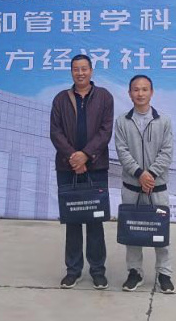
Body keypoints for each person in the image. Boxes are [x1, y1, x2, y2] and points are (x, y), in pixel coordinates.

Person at [50, 54, 114, 290]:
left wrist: (86, 155)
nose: (80, 73)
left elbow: (106, 131)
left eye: (84, 69)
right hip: (67, 167)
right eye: (76, 69)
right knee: (73, 220)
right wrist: (74, 158)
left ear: (91, 71)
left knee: (95, 221)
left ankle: (98, 270)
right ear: (71, 72)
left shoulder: (104, 97)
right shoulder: (60, 99)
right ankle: (73, 270)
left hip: (96, 166)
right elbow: (55, 132)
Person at [114, 74, 175, 294]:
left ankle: (164, 273)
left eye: (144, 89)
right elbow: (122, 151)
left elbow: (167, 152)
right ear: (129, 93)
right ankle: (134, 272)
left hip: (157, 187)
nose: (140, 93)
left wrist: (151, 175)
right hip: (132, 186)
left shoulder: (163, 121)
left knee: (161, 230)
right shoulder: (122, 121)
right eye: (136, 89)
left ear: (152, 92)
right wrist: (139, 174)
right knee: (132, 230)